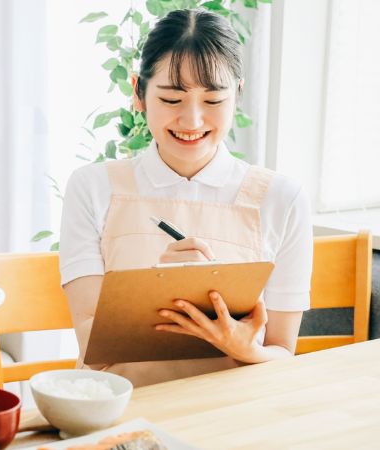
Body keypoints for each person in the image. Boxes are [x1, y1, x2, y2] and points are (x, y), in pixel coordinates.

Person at [59, 8, 312, 387]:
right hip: (123, 410)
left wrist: (245, 348)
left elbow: (281, 353)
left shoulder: (283, 199)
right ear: (138, 93)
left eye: (213, 101)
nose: (192, 121)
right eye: (172, 99)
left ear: (237, 95)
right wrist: (158, 287)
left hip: (234, 418)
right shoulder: (92, 188)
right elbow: (93, 351)